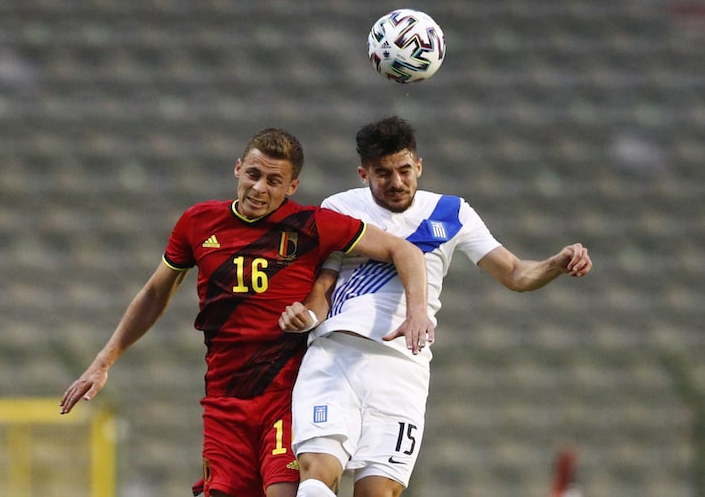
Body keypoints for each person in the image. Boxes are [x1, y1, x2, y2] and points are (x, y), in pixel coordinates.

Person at [59, 127, 433, 497]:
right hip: (224, 400)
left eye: (274, 180)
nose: (259, 188)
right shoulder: (198, 223)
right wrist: (103, 360)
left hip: (286, 395)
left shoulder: (312, 225)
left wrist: (417, 311)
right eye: (253, 175)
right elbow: (155, 293)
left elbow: (405, 251)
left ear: (292, 187)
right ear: (238, 169)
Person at [279, 116, 593, 497]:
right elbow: (323, 286)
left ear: (419, 166)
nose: (396, 182)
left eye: (404, 170)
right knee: (315, 480)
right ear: (364, 173)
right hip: (336, 354)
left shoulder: (451, 213)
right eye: (383, 173)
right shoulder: (339, 207)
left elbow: (513, 272)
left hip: (401, 368)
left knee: (377, 492)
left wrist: (554, 264)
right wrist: (306, 318)